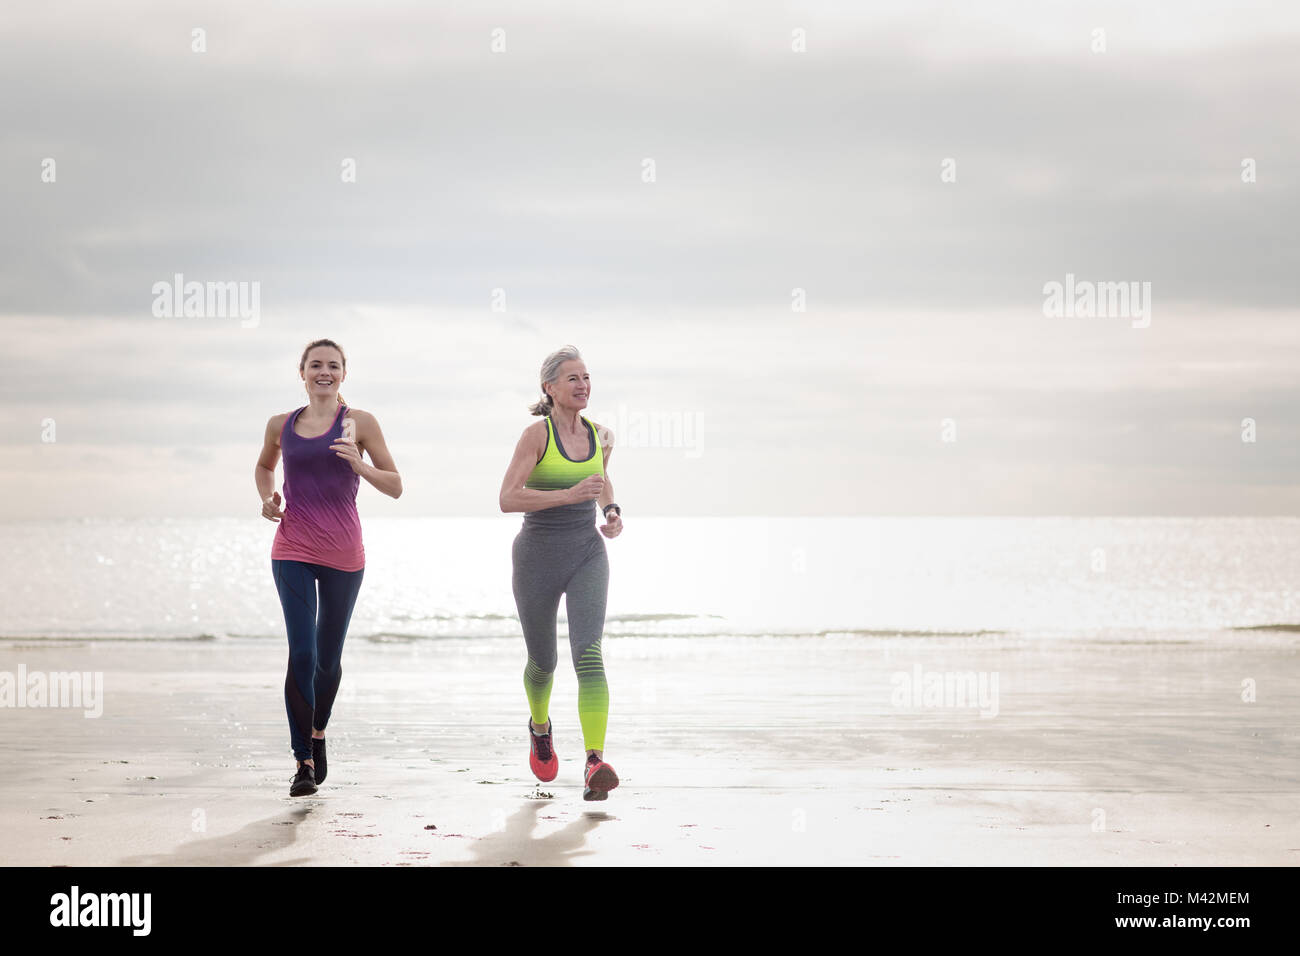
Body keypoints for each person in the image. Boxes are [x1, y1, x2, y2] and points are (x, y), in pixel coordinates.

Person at [254, 338, 402, 796]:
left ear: (343, 374)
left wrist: (359, 463)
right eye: (315, 365)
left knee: (328, 660)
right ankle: (301, 761)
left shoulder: (361, 423)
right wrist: (267, 499)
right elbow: (264, 467)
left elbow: (395, 485)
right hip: (292, 547)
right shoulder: (281, 424)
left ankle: (318, 733)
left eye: (332, 366)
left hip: (343, 554)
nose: (324, 371)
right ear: (301, 373)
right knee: (302, 653)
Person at [499, 345, 623, 800]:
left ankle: (594, 761)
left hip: (587, 553)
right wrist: (568, 495)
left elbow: (600, 478)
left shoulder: (603, 436)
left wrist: (610, 510)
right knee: (544, 663)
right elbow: (508, 499)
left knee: (589, 656)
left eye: (587, 377)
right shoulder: (536, 437)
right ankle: (540, 727)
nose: (583, 385)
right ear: (549, 388)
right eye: (573, 378)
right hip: (536, 557)